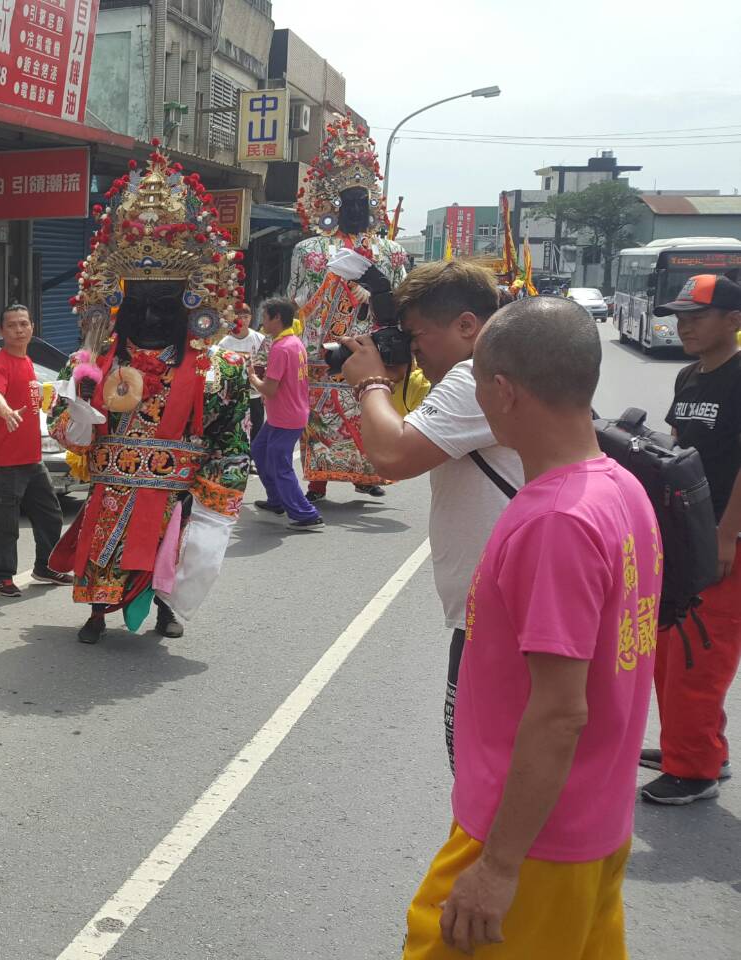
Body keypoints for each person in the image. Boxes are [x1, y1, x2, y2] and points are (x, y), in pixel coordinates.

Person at [401, 296, 659, 959]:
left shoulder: (557, 523)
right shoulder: (620, 487)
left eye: (475, 384)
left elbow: (559, 713)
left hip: (532, 842)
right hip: (592, 823)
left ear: (504, 391)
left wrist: (498, 868)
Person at [48, 146, 252, 646]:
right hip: (112, 481)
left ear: (191, 302)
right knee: (103, 542)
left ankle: (163, 609)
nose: (153, 312)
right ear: (119, 300)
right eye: (140, 298)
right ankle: (97, 612)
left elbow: (231, 436)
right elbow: (60, 427)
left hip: (173, 485)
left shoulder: (217, 369)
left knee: (168, 548)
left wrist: (215, 491)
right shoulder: (88, 363)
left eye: (167, 300)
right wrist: (82, 404)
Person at [337, 260, 524, 768]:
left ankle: (488, 848)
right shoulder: (506, 364)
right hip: (504, 605)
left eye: (418, 338)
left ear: (467, 325)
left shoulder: (475, 375)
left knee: (476, 763)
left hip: (500, 615)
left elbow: (394, 456)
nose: (415, 352)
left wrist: (371, 383)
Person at [642, 274, 741, 804]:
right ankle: (697, 746)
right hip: (689, 535)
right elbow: (679, 451)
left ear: (733, 319)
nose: (683, 326)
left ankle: (696, 769)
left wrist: (727, 536)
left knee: (698, 655)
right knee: (669, 647)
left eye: (696, 316)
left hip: (727, 540)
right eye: (679, 317)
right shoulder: (689, 378)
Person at [288, 113, 409, 501]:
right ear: (333, 203)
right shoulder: (309, 251)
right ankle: (319, 479)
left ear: (373, 202)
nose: (356, 208)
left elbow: (405, 300)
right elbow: (297, 301)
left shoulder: (390, 252)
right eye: (348, 201)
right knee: (320, 416)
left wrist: (375, 296)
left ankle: (366, 475)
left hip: (370, 349)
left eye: (363, 200)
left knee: (368, 413)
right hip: (324, 349)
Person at [0, 304, 70, 598]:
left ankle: (45, 567)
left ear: (32, 327)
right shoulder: (0, 362)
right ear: (1, 331)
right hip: (6, 461)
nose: (19, 330)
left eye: (24, 324)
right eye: (12, 325)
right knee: (7, 523)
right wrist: (5, 409)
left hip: (32, 458)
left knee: (51, 514)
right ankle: (3, 575)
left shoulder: (28, 362)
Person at [248, 298, 322, 529]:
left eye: (265, 317)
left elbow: (269, 388)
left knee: (280, 465)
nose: (262, 322)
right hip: (286, 414)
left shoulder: (281, 347)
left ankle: (305, 513)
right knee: (259, 450)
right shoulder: (293, 342)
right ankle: (277, 499)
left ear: (276, 318)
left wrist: (252, 377)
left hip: (286, 417)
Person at [218, 313, 267, 437]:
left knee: (256, 429)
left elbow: (268, 364)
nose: (243, 320)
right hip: (234, 395)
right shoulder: (223, 343)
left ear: (251, 317)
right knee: (235, 432)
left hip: (255, 393)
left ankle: (255, 455)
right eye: (240, 317)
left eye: (246, 316)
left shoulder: (260, 338)